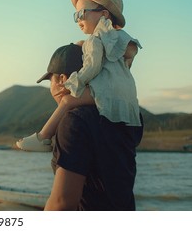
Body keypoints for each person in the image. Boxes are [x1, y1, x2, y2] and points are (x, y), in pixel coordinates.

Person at [17, 0, 142, 151]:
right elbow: (130, 53)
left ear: (104, 14)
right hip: (128, 93)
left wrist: (75, 81)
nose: (77, 20)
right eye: (75, 15)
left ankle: (43, 138)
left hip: (108, 90)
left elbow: (92, 67)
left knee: (68, 101)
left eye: (81, 14)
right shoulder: (117, 38)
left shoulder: (96, 40)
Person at [34, 43, 143, 210]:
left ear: (63, 79)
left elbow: (62, 203)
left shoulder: (75, 121)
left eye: (51, 80)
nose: (51, 88)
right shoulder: (128, 115)